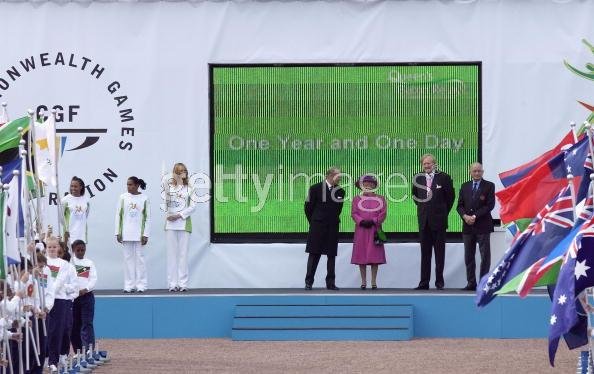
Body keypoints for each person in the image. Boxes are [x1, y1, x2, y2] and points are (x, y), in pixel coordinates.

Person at [411, 154, 455, 290]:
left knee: (439, 254)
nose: (427, 166)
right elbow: (415, 197)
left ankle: (439, 282)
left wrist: (441, 213)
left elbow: (450, 198)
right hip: (424, 222)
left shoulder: (444, 177)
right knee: (425, 254)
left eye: (429, 163)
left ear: (435, 164)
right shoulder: (417, 178)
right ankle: (424, 283)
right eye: (424, 164)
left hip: (439, 222)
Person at [304, 167, 345, 291]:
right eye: (338, 175)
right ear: (330, 175)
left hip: (332, 226)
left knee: (331, 255)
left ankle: (330, 283)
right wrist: (315, 221)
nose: (340, 178)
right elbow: (308, 208)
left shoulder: (340, 191)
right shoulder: (315, 188)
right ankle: (309, 282)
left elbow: (338, 210)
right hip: (317, 227)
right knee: (314, 254)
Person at [456, 162, 495, 291]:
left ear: (482, 172)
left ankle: (483, 283)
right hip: (467, 227)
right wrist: (465, 216)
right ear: (470, 172)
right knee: (469, 256)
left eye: (479, 171)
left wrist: (474, 216)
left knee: (485, 256)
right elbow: (459, 206)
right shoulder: (464, 186)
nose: (477, 173)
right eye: (474, 171)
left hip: (483, 226)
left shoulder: (489, 186)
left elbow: (489, 206)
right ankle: (471, 283)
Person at [46, 236, 77, 373]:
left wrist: (51, 293)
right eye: (49, 247)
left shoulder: (64, 265)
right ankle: (48, 359)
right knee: (48, 331)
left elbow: (60, 282)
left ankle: (59, 357)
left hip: (59, 301)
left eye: (54, 247)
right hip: (45, 301)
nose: (52, 249)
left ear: (58, 248)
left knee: (60, 330)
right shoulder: (43, 262)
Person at [351, 174, 387, 290]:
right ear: (361, 186)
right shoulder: (356, 199)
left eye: (370, 183)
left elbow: (383, 213)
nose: (367, 185)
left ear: (374, 185)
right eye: (365, 184)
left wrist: (374, 221)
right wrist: (361, 221)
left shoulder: (381, 198)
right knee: (361, 256)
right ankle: (363, 282)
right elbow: (354, 213)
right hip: (361, 230)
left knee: (375, 257)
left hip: (375, 230)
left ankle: (373, 282)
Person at [164, 163, 196, 292]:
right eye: (180, 171)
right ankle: (172, 284)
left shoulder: (190, 188)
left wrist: (179, 215)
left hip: (184, 224)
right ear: (175, 173)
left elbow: (193, 207)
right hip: (170, 225)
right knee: (172, 255)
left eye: (185, 170)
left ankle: (183, 284)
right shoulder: (170, 188)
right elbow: (167, 205)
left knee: (183, 255)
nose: (183, 173)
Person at [115, 177, 150, 293]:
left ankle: (141, 285)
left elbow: (147, 217)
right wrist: (118, 232)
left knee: (140, 259)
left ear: (137, 185)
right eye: (127, 185)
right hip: (126, 233)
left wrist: (145, 234)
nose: (128, 187)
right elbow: (118, 215)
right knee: (128, 259)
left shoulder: (144, 198)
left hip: (139, 234)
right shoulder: (123, 197)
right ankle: (129, 284)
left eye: (130, 185)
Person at [70, 240, 98, 355]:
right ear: (73, 250)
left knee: (87, 323)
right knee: (74, 325)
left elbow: (93, 279)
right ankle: (78, 350)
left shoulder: (89, 263)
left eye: (83, 250)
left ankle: (89, 350)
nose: (81, 252)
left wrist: (85, 289)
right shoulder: (70, 263)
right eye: (78, 250)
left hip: (87, 297)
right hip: (73, 298)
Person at [62, 176, 90, 245]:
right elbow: (61, 217)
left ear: (81, 187)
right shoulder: (65, 200)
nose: (73, 188)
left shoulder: (86, 200)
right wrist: (66, 229)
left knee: (80, 254)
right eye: (72, 186)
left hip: (82, 234)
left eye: (75, 186)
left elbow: (86, 215)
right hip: (69, 235)